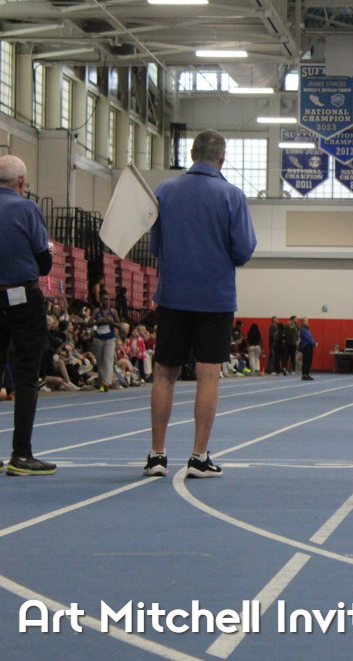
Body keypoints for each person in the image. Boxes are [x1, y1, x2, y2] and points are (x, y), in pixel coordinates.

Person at [143, 130, 257, 478]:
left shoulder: (165, 191)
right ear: (222, 158)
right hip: (214, 297)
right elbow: (244, 250)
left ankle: (157, 455)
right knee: (208, 376)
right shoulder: (232, 195)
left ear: (192, 154)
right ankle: (198, 457)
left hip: (173, 295)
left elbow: (154, 246)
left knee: (164, 374)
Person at [0, 155, 58, 475]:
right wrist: (47, 252)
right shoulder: (27, 209)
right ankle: (21, 454)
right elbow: (44, 264)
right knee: (25, 376)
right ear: (21, 182)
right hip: (23, 297)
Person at [90, 291, 121, 391]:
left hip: (110, 339)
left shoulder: (113, 311)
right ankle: (102, 382)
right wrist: (98, 322)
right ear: (101, 300)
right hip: (98, 339)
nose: (106, 301)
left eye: (108, 299)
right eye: (104, 299)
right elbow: (89, 324)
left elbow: (120, 325)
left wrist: (112, 322)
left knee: (108, 360)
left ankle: (107, 383)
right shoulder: (96, 311)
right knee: (100, 361)